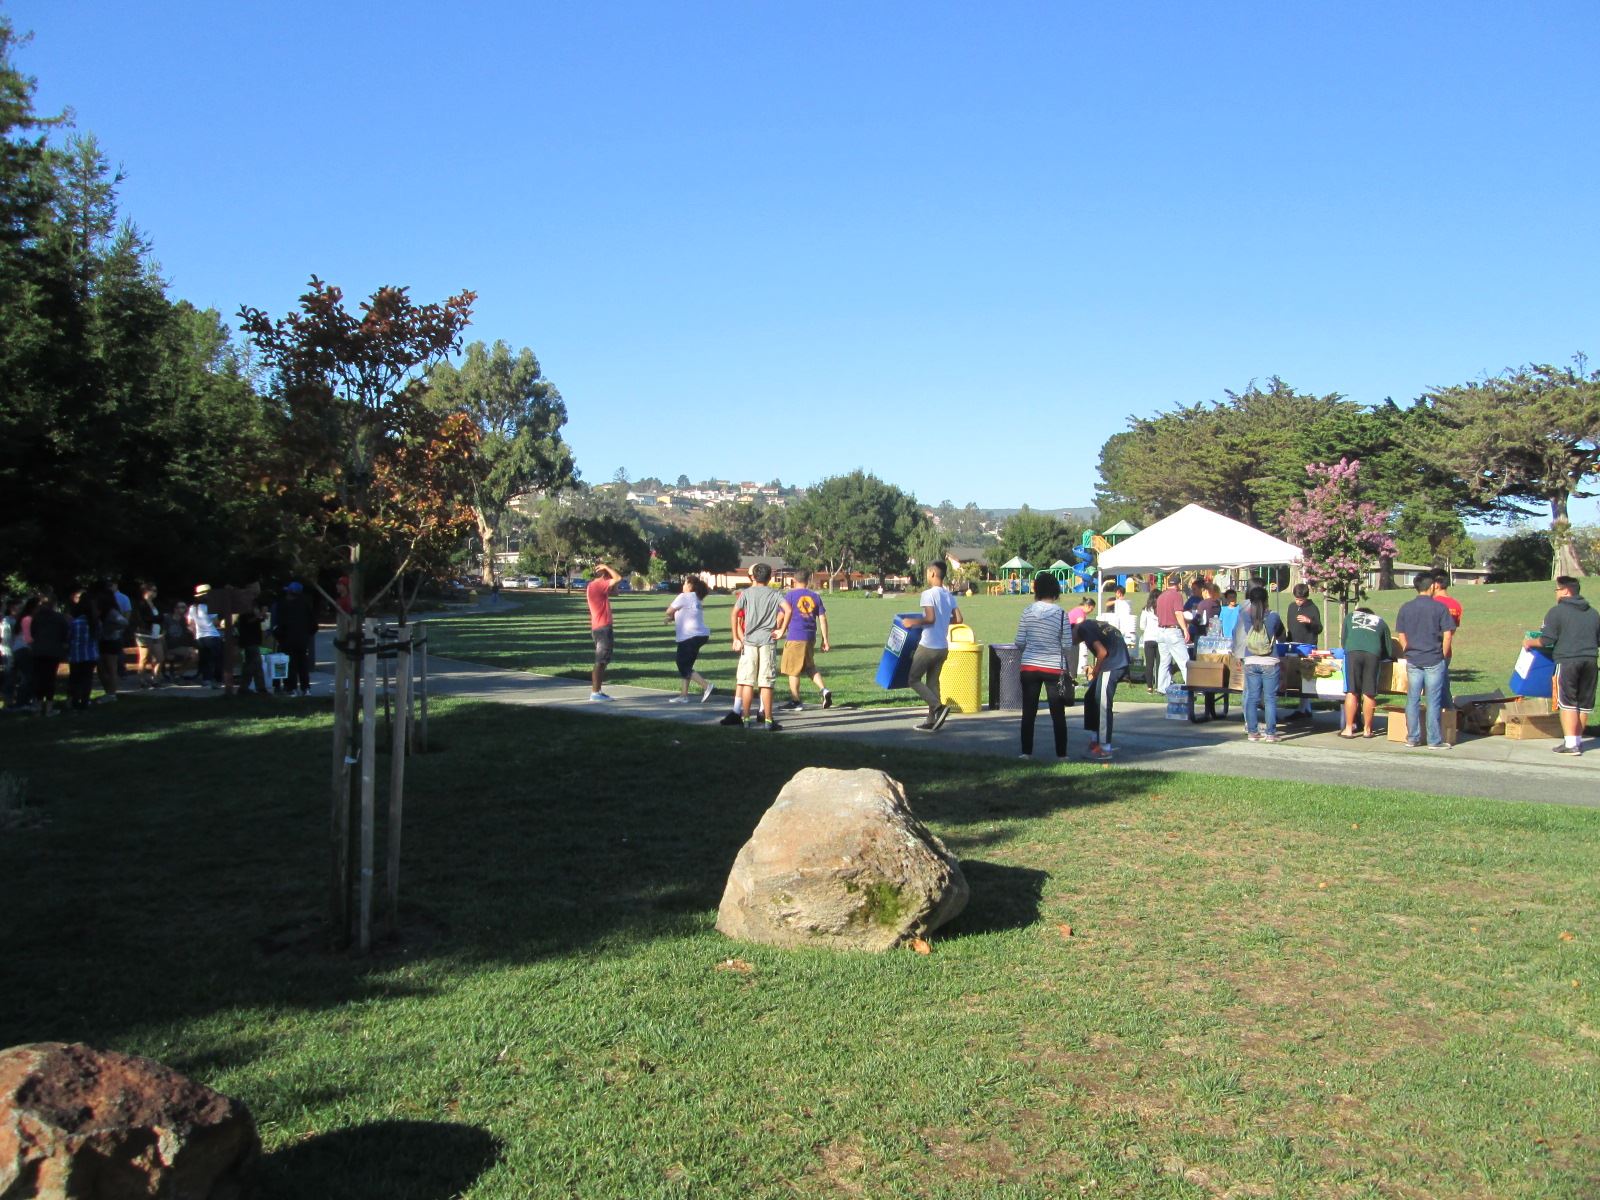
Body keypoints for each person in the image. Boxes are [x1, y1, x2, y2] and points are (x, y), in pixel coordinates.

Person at [1524, 575, 1600, 756]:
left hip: (1567, 661)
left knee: (1568, 702)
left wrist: (1529, 642)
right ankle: (1578, 741)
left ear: (1566, 590)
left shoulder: (1556, 612)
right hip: (1590, 661)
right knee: (1583, 704)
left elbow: (1547, 640)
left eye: (1557, 589)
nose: (1555, 593)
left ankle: (1571, 744)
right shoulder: (1593, 613)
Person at [1393, 572, 1456, 749]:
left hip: (1413, 659)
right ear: (1432, 587)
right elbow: (1447, 635)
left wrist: (1407, 650)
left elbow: (1401, 634)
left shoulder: (1406, 607)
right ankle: (1434, 740)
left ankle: (1412, 737)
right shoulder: (1440, 608)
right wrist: (1442, 655)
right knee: (1433, 700)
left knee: (1412, 698)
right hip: (1434, 658)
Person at [725, 563, 790, 731]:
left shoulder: (745, 593)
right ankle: (768, 720)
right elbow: (788, 610)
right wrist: (781, 630)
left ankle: (746, 718)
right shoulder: (775, 593)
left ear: (753, 576)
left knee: (747, 681)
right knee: (766, 682)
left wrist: (735, 637)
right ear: (770, 578)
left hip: (749, 641)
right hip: (767, 641)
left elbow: (734, 614)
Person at [1014, 573, 1072, 759]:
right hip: (1053, 667)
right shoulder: (1061, 614)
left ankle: (1025, 752)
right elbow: (1066, 644)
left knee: (1029, 712)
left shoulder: (1027, 611)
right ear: (1055, 590)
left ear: (1037, 590)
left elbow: (1019, 641)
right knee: (1057, 713)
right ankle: (1061, 754)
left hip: (1029, 666)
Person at [903, 563, 962, 732]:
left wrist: (912, 622)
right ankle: (931, 720)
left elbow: (930, 619)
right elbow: (958, 619)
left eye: (928, 572)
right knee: (932, 684)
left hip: (928, 645)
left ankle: (938, 706)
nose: (926, 575)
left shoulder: (928, 594)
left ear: (934, 573)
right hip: (943, 647)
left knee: (913, 679)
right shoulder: (949, 595)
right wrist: (944, 621)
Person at [1076, 613, 1129, 763]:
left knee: (1103, 704)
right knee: (1091, 696)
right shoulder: (1091, 625)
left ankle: (1105, 748)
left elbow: (1102, 652)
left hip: (1113, 664)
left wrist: (1096, 670)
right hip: (1116, 659)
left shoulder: (1084, 629)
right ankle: (1094, 740)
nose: (1073, 642)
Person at [779, 568, 832, 711]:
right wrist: (825, 640)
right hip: (810, 636)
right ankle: (824, 690)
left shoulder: (790, 596)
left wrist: (778, 629)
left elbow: (781, 616)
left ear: (794, 581)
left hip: (795, 636)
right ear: (808, 581)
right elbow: (822, 618)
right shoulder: (815, 596)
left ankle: (796, 701)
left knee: (793, 670)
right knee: (809, 667)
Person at [1339, 604, 1391, 739]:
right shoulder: (1380, 621)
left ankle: (1349, 728)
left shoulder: (1350, 616)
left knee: (1352, 691)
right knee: (1369, 692)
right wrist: (1384, 657)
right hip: (1373, 654)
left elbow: (1344, 639)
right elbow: (1388, 649)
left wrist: (1348, 649)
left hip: (1353, 652)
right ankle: (1368, 730)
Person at [663, 576, 715, 704]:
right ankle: (684, 695)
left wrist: (669, 616)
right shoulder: (696, 598)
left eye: (685, 583)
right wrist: (672, 618)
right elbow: (686, 615)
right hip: (699, 635)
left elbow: (668, 610)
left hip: (689, 636)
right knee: (687, 666)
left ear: (690, 585)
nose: (683, 585)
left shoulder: (684, 596)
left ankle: (706, 686)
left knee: (682, 665)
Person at [585, 562, 624, 701]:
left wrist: (611, 582)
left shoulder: (594, 586)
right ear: (605, 575)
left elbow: (616, 593)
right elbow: (618, 578)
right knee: (600, 661)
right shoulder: (598, 585)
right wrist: (607, 567)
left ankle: (598, 691)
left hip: (599, 628)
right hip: (602, 628)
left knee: (602, 661)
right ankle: (595, 693)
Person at [29, 589, 69, 718]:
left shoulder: (36, 617)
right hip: (53, 651)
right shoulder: (59, 618)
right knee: (50, 678)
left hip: (38, 651)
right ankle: (49, 708)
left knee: (39, 678)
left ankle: (38, 706)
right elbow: (65, 634)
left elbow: (33, 633)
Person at [1285, 583, 1322, 720]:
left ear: (1306, 597)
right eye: (1296, 599)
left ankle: (1305, 707)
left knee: (1306, 676)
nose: (1298, 601)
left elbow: (1318, 628)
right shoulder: (1291, 607)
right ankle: (1304, 707)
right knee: (1296, 677)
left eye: (1301, 599)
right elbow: (1290, 626)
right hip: (1294, 644)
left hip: (1308, 645)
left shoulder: (1312, 608)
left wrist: (1309, 621)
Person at [272, 581, 316, 696]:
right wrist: (307, 635)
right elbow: (313, 625)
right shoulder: (305, 604)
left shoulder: (282, 605)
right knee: (302, 665)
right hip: (302, 640)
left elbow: (278, 624)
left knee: (290, 665)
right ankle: (305, 688)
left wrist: (278, 636)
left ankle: (291, 688)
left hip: (287, 640)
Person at [1153, 574, 1191, 692]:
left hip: (1160, 630)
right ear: (1178, 584)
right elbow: (1178, 613)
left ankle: (1162, 687)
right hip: (1172, 630)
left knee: (1164, 661)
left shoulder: (1161, 596)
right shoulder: (1177, 595)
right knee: (1184, 660)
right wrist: (1185, 629)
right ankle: (1190, 685)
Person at [1432, 570, 1463, 711]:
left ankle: (1448, 718)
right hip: (1447, 650)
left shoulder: (1432, 603)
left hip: (1432, 650)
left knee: (1438, 690)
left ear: (1436, 585)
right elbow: (1452, 630)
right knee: (1443, 684)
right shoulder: (1456, 605)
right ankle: (1448, 718)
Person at [93, 583, 126, 702]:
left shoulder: (112, 612)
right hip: (104, 641)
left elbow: (123, 622)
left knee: (111, 668)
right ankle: (108, 692)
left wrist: (111, 630)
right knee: (102, 669)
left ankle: (112, 694)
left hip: (111, 641)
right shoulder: (102, 612)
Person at [66, 595, 99, 711]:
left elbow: (69, 638)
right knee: (87, 679)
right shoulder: (95, 623)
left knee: (75, 679)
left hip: (76, 654)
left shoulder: (75, 622)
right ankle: (85, 702)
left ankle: (74, 701)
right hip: (91, 655)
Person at [189, 584, 224, 688]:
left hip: (200, 636)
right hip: (212, 635)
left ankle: (206, 679)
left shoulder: (192, 608)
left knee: (205, 659)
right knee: (218, 659)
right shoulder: (209, 606)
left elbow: (191, 623)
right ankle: (218, 679)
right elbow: (216, 623)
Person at [133, 583, 165, 688]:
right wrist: (155, 619)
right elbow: (144, 619)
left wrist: (156, 619)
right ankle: (141, 680)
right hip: (144, 633)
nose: (155, 593)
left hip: (156, 633)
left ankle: (154, 678)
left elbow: (161, 617)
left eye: (156, 590)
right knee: (144, 657)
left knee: (159, 657)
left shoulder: (156, 604)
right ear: (146, 591)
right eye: (153, 590)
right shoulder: (140, 604)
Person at [236, 600, 268, 695]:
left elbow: (255, 620)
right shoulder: (246, 610)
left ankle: (243, 688)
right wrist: (261, 614)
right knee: (257, 665)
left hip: (252, 640)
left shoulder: (252, 609)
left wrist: (262, 616)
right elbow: (249, 621)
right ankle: (261, 689)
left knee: (249, 665)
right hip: (249, 641)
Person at [1138, 591, 1162, 693]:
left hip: (1148, 638)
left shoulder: (1145, 610)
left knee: (1149, 664)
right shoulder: (1162, 609)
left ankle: (1149, 686)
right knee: (1160, 664)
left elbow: (1142, 626)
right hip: (1160, 638)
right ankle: (1159, 685)